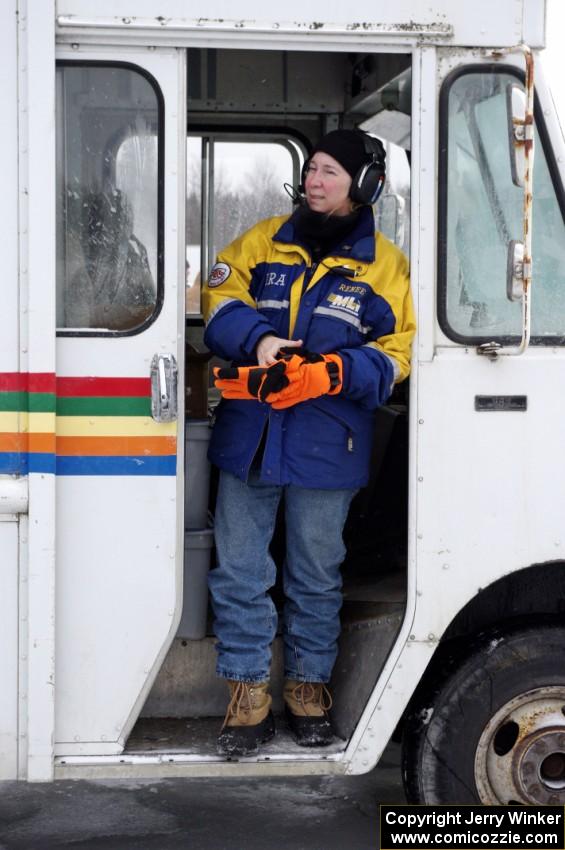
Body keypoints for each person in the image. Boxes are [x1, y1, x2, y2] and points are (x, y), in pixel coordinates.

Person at [201, 129, 416, 757]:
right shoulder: (263, 240)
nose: (315, 182)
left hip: (328, 443)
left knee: (315, 575)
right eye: (312, 169)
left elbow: (399, 352)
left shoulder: (387, 266)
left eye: (329, 172)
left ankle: (307, 689)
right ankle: (247, 696)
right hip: (250, 439)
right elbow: (219, 296)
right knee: (240, 571)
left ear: (364, 185)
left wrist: (334, 373)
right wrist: (260, 342)